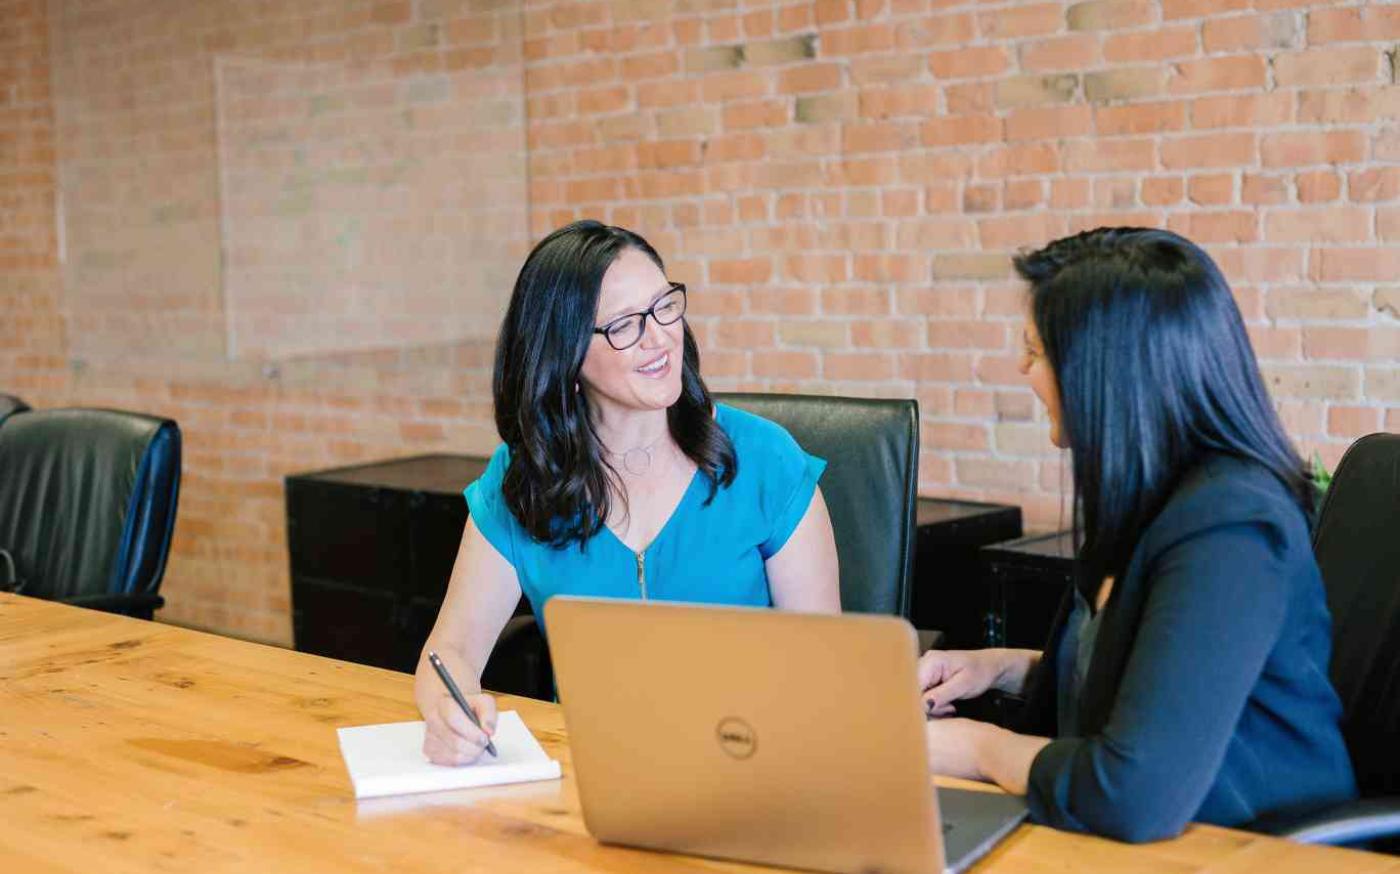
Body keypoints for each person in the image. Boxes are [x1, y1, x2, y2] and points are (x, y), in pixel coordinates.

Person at [917, 228, 1357, 842]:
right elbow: (1154, 677)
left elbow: (1131, 793)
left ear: (1105, 374)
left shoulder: (1232, 528)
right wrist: (1000, 668)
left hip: (1251, 847)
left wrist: (976, 748)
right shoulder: (1152, 497)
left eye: (1036, 351)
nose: (1022, 369)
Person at [416, 220, 841, 765]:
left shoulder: (766, 461)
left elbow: (825, 671)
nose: (660, 336)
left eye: (665, 305)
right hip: (590, 776)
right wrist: (448, 714)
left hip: (751, 765)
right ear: (564, 356)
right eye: (624, 325)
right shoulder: (522, 482)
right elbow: (448, 651)